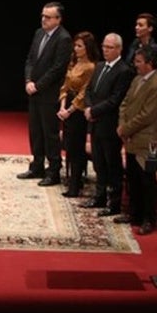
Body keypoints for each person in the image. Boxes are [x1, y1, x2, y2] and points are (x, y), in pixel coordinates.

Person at [18, 1, 72, 186]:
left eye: (48, 17)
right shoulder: (39, 33)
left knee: (50, 133)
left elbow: (58, 68)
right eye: (43, 16)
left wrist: (38, 85)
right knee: (35, 131)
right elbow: (30, 60)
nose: (44, 20)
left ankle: (54, 171)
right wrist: (28, 81)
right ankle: (37, 165)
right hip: (34, 91)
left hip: (49, 93)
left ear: (58, 19)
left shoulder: (64, 39)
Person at [116, 44, 157, 236]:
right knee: (133, 179)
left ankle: (148, 219)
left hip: (145, 140)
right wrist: (122, 124)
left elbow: (147, 115)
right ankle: (135, 214)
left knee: (147, 181)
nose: (135, 65)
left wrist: (125, 128)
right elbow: (125, 104)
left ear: (149, 63)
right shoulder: (137, 79)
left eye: (138, 61)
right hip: (130, 138)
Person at [83, 32, 135, 215]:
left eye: (110, 47)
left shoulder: (124, 71)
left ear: (119, 49)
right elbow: (89, 91)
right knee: (99, 163)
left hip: (110, 125)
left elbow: (115, 100)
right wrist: (88, 108)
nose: (105, 50)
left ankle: (114, 204)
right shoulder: (98, 67)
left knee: (112, 165)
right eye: (104, 46)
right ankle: (99, 197)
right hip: (95, 124)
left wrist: (94, 111)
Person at [56, 31, 100, 198]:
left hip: (78, 111)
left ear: (87, 48)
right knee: (68, 145)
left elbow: (84, 93)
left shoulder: (91, 67)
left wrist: (70, 110)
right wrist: (62, 106)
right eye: (75, 45)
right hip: (66, 106)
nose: (76, 49)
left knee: (76, 147)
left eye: (79, 46)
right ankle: (72, 179)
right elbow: (65, 86)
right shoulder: (73, 63)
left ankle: (75, 184)